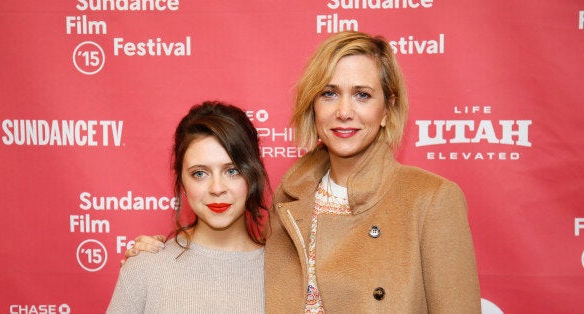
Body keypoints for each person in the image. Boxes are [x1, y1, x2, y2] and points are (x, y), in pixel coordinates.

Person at [128, 31, 481, 313]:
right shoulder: (292, 198)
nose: (344, 111)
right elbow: (234, 268)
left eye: (362, 95)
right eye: (329, 93)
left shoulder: (430, 199)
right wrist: (159, 254)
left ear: (387, 109)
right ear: (312, 106)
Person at [106, 101, 270, 313]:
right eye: (200, 173)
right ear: (182, 181)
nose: (217, 188)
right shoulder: (145, 268)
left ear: (253, 174)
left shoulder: (287, 274)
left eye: (232, 171)